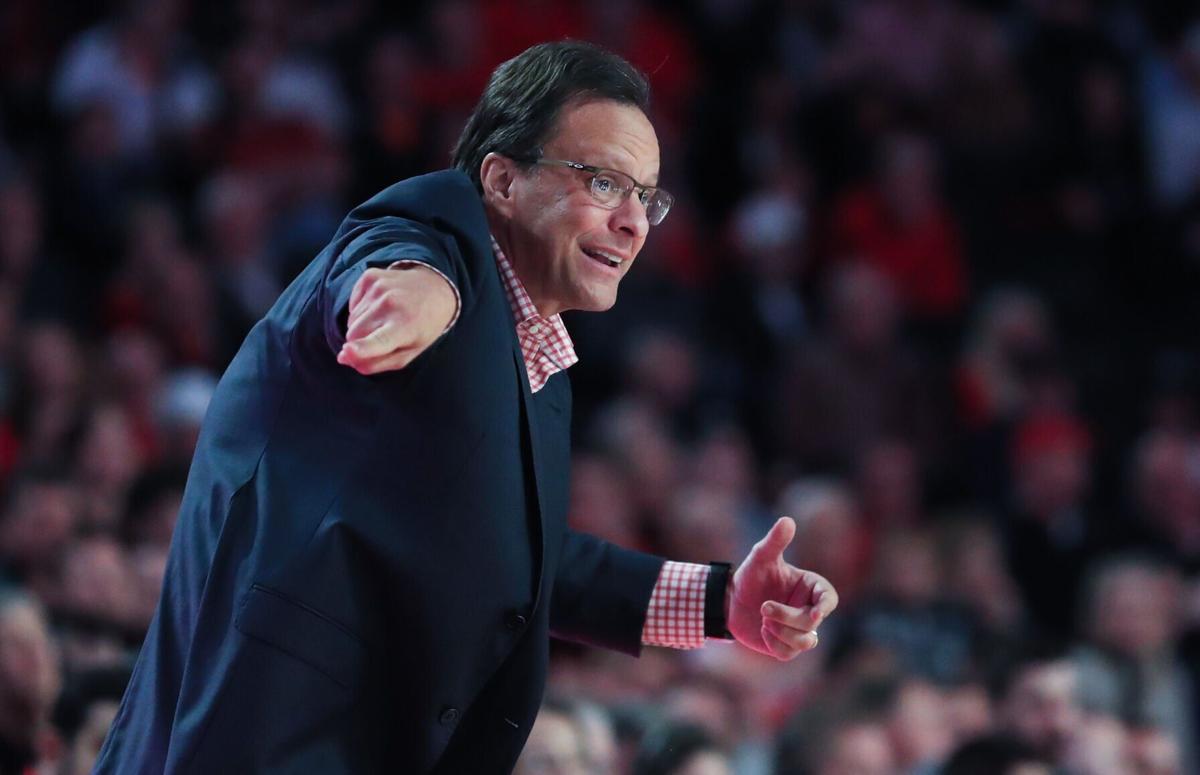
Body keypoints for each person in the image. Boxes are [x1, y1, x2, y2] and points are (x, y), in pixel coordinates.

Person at [92, 41, 838, 773]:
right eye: (605, 183)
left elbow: (527, 567)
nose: (634, 222)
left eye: (646, 196)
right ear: (503, 180)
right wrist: (417, 295)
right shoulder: (434, 231)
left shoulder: (541, 372)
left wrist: (722, 600)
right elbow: (399, 254)